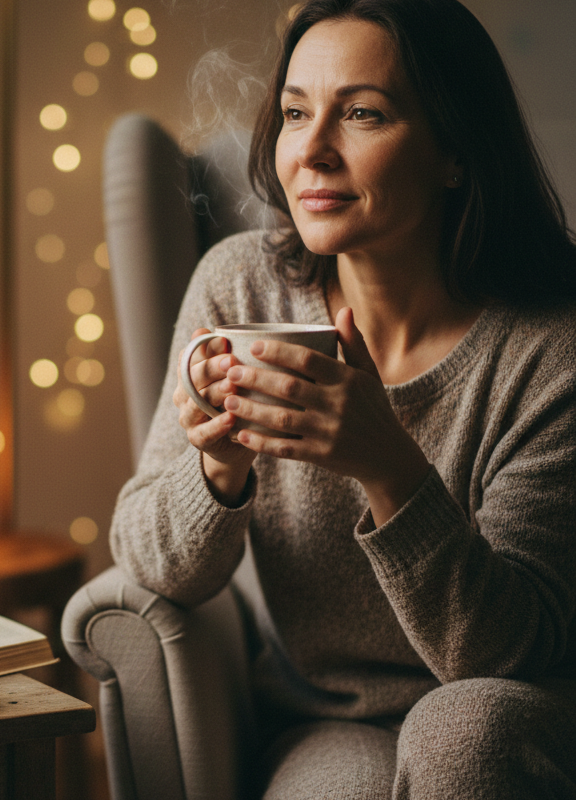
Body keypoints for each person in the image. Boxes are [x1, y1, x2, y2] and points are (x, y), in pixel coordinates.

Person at [108, 0, 576, 796]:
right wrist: (216, 468)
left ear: (454, 153)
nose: (313, 153)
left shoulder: (549, 349)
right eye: (295, 113)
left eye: (362, 113)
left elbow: (506, 655)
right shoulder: (238, 283)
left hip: (519, 705)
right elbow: (148, 561)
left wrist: (388, 466)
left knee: (463, 733)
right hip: (331, 718)